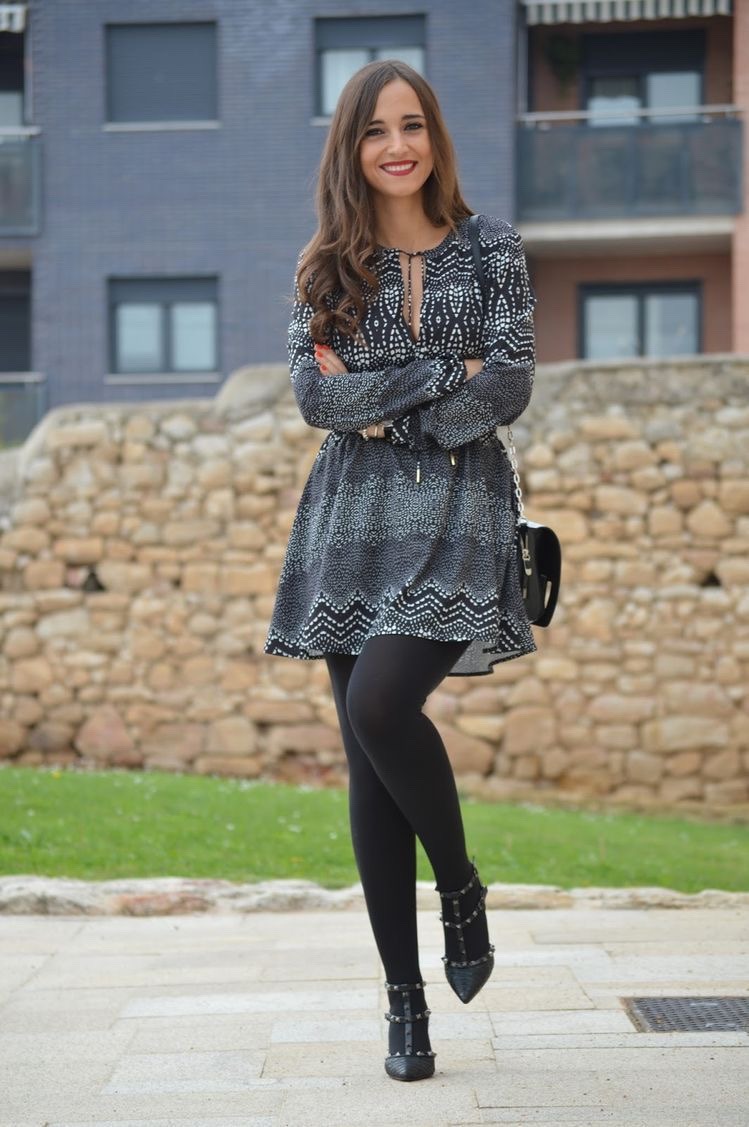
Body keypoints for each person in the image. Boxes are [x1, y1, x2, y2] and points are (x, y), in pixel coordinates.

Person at [264, 58, 537, 1081]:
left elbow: (507, 383)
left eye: (411, 125)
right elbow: (316, 401)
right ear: (352, 146)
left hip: (461, 508)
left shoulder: (492, 248)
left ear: (433, 136)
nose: (395, 146)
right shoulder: (323, 266)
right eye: (375, 130)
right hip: (352, 520)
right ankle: (404, 1003)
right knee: (365, 756)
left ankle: (457, 883)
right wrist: (438, 374)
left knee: (381, 705)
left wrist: (388, 399)